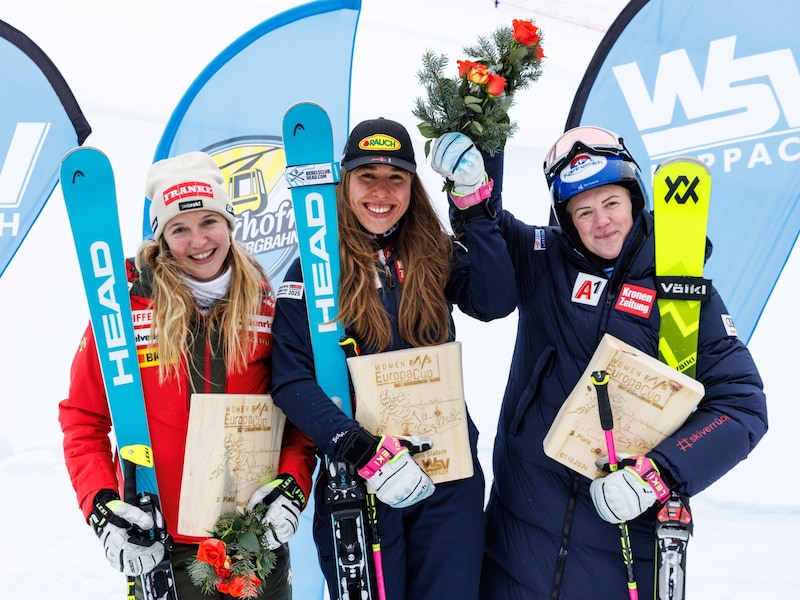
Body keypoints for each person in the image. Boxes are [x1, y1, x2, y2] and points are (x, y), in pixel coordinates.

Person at [431, 128, 768, 599]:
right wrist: (470, 192)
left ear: (633, 199)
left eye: (611, 203)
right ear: (566, 221)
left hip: (622, 550)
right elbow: (489, 233)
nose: (601, 222)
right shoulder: (543, 259)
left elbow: (742, 407)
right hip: (515, 548)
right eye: (583, 211)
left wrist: (658, 474)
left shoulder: (682, 293)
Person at [269, 118, 517, 600]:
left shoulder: (434, 250)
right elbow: (290, 378)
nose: (381, 192)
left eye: (395, 178)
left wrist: (475, 205)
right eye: (367, 177)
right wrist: (357, 448)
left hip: (448, 473)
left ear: (411, 186)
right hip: (364, 480)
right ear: (345, 184)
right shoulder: (315, 266)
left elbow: (495, 300)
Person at [59, 152, 317, 600]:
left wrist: (292, 484)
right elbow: (84, 420)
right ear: (161, 237)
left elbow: (297, 416)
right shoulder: (122, 309)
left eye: (209, 222)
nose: (198, 241)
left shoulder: (265, 305)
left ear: (230, 224)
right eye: (179, 228)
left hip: (253, 537)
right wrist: (102, 506)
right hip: (163, 543)